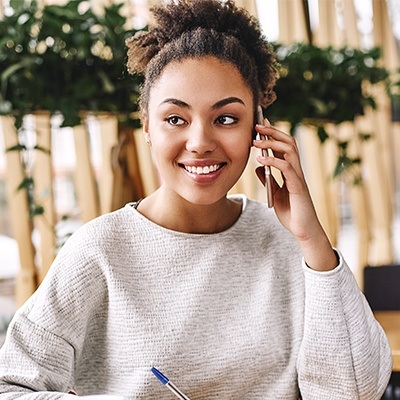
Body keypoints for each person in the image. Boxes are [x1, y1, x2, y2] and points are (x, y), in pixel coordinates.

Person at [0, 0, 392, 399]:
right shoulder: (100, 251)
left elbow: (354, 393)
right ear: (147, 127)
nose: (200, 142)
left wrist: (313, 242)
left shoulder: (291, 245)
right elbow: (9, 387)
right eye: (175, 119)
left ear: (259, 128)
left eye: (225, 118)